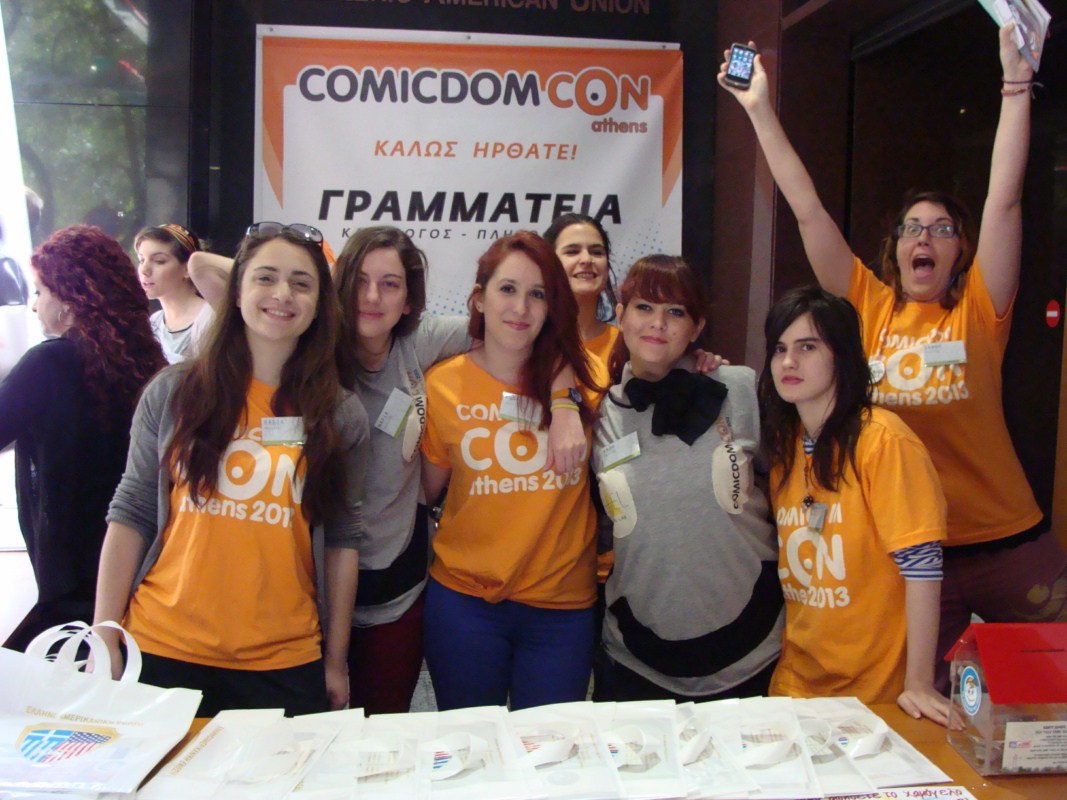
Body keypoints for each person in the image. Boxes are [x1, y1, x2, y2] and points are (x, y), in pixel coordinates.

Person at [719, 24, 1066, 685]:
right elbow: (807, 210)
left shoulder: (977, 308)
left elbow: (1004, 198)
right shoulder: (867, 306)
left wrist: (1015, 83)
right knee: (928, 706)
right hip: (910, 554)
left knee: (1053, 685)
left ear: (959, 251)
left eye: (941, 229)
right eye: (911, 228)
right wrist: (759, 109)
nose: (923, 238)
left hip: (1005, 539)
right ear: (896, 248)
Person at [94, 222, 367, 716]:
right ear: (236, 290)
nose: (282, 294)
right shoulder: (174, 392)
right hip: (161, 647)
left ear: (319, 305)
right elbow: (131, 511)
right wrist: (105, 633)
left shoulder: (339, 414)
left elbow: (343, 540)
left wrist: (336, 661)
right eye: (265, 277)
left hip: (283, 659)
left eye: (301, 283)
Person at [420, 230, 601, 711]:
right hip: (465, 602)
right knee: (470, 743)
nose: (521, 308)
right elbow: (426, 492)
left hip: (560, 608)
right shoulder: (442, 385)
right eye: (507, 289)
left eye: (537, 294)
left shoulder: (587, 380)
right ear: (479, 298)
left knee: (548, 748)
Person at [591, 255, 783, 702]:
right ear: (620, 316)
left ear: (696, 328)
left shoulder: (739, 387)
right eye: (644, 307)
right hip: (637, 656)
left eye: (675, 312)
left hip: (750, 651)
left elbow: (790, 490)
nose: (658, 323)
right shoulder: (599, 416)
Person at [760, 286, 949, 724]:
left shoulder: (883, 440)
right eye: (780, 349)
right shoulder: (787, 445)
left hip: (874, 693)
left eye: (808, 347)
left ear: (842, 356)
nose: (788, 362)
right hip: (795, 684)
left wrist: (919, 683)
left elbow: (922, 567)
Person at [0, 225, 165, 650]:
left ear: (71, 298)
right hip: (140, 570)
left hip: (70, 583)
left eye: (40, 292)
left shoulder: (48, 363)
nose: (34, 305)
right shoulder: (148, 365)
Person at [135, 224, 212, 362]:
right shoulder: (154, 322)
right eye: (141, 260)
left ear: (187, 268)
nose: (144, 270)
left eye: (159, 261)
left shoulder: (211, 320)